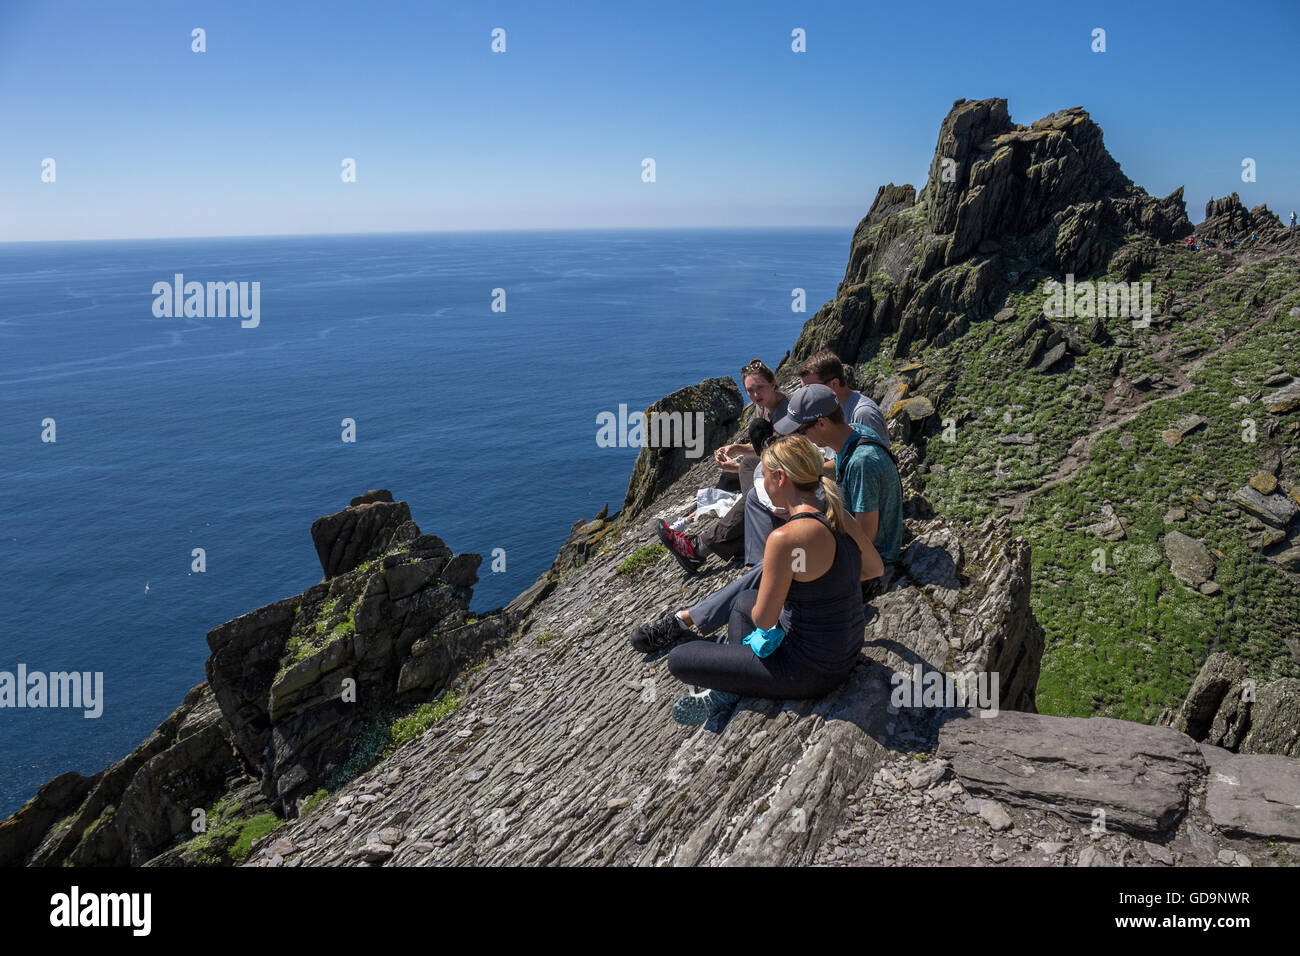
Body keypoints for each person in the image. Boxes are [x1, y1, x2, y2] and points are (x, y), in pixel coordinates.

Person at [635, 435, 883, 725]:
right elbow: (873, 568)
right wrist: (819, 584)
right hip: (845, 650)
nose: (761, 485)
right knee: (742, 602)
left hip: (809, 673)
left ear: (781, 478)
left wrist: (788, 586)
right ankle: (736, 681)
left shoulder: (785, 539)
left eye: (763, 476)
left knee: (680, 657)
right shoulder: (837, 514)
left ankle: (731, 686)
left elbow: (764, 620)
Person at [656, 358, 788, 572]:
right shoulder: (763, 407)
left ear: (773, 384)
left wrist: (736, 467)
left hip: (788, 478)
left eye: (760, 388)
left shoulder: (786, 415)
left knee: (753, 495)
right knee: (747, 464)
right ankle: (755, 528)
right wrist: (737, 448)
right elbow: (765, 450)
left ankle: (697, 548)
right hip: (774, 468)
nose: (755, 395)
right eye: (750, 391)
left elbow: (783, 458)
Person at [796, 349, 890, 448]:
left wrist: (818, 464)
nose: (804, 395)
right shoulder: (826, 409)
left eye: (811, 388)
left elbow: (871, 458)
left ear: (834, 383)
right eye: (802, 389)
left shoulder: (863, 414)